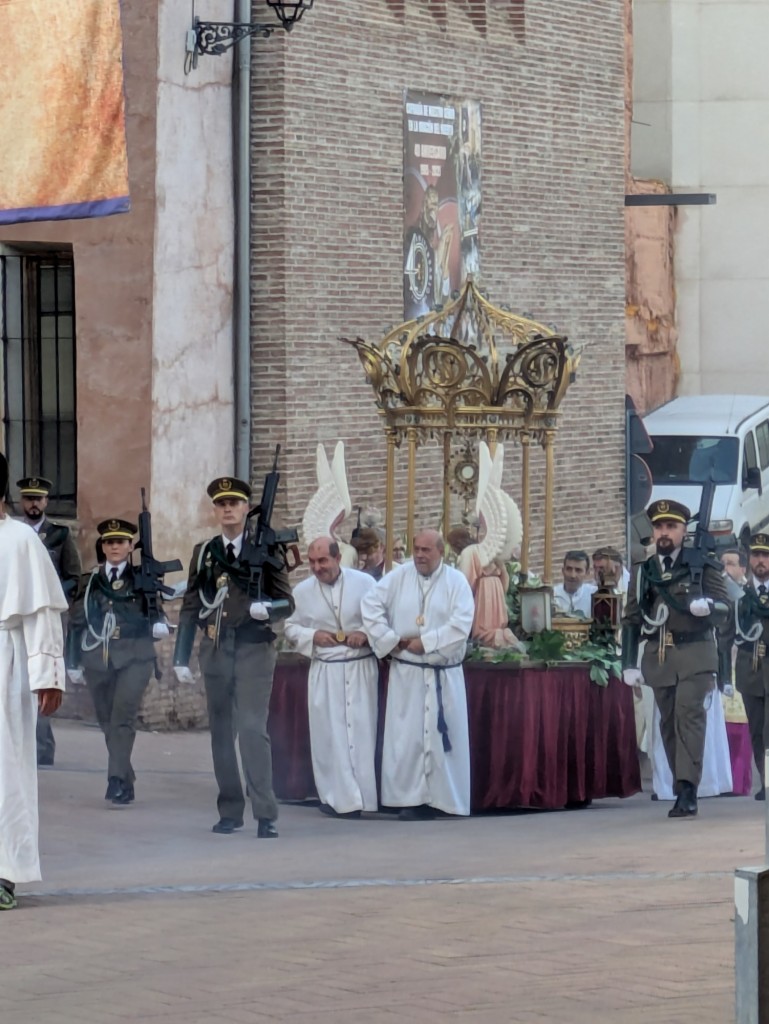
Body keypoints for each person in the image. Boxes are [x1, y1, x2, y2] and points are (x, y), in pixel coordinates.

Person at [173, 476, 294, 837]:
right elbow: (192, 604)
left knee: (253, 729)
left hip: (254, 647)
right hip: (216, 648)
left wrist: (268, 609)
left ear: (246, 508)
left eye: (235, 503)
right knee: (221, 733)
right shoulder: (206, 552)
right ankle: (230, 809)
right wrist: (181, 655)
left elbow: (288, 602)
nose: (228, 509)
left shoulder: (267, 550)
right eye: (221, 504)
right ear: (215, 511)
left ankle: (265, 812)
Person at [622, 499, 731, 818]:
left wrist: (709, 606)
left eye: (671, 526)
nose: (664, 532)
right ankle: (680, 782)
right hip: (660, 656)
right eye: (659, 527)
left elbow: (725, 610)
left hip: (696, 653)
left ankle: (687, 788)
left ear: (684, 531)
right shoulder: (645, 572)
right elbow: (631, 618)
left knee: (689, 717)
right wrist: (628, 662)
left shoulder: (702, 565)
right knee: (668, 723)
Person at [361, 528, 474, 820]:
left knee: (441, 741)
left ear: (441, 552)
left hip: (442, 674)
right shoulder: (398, 577)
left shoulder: (456, 581)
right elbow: (370, 604)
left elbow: (462, 623)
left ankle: (445, 801)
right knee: (407, 739)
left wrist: (428, 642)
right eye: (417, 549)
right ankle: (409, 799)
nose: (420, 556)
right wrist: (388, 639)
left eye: (426, 550)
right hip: (407, 673)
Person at [0, 452, 67, 910]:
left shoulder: (21, 539)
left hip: (5, 661)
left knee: (7, 768)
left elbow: (42, 614)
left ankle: (6, 870)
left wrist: (47, 674)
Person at [67, 519, 167, 806]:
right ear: (104, 546)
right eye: (109, 542)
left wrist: (159, 623)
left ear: (131, 546)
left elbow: (155, 610)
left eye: (120, 542)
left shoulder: (142, 579)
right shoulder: (91, 581)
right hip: (98, 659)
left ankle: (115, 779)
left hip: (135, 656)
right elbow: (76, 622)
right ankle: (126, 778)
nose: (114, 547)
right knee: (107, 721)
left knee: (122, 718)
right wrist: (72, 661)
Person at [284, 536, 378, 818]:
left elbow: (381, 618)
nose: (317, 567)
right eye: (312, 562)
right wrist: (313, 635)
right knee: (330, 734)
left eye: (322, 560)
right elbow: (290, 626)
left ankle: (365, 797)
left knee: (361, 731)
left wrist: (365, 633)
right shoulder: (301, 591)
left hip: (360, 668)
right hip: (325, 669)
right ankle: (335, 797)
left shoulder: (366, 584)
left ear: (338, 558)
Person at [16, 475, 82, 767]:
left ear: (46, 502)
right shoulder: (12, 532)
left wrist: (49, 597)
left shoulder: (60, 535)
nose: (33, 503)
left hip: (50, 616)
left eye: (38, 499)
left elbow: (74, 577)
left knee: (43, 677)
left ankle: (43, 748)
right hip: (17, 615)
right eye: (28, 498)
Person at [734, 533, 769, 801]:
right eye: (756, 555)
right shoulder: (741, 594)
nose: (761, 561)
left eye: (766, 556)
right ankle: (765, 781)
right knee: (757, 728)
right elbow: (728, 633)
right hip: (751, 666)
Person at [719, 546, 753, 796]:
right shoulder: (717, 591)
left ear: (743, 568)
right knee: (722, 729)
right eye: (722, 564)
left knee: (740, 730)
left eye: (731, 563)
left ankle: (740, 782)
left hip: (744, 664)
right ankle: (722, 780)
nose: (725, 569)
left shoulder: (749, 594)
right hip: (719, 665)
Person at [553, 550, 596, 617]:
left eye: (578, 570)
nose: (572, 575)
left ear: (587, 573)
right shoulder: (552, 595)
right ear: (563, 571)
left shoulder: (594, 595)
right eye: (569, 569)